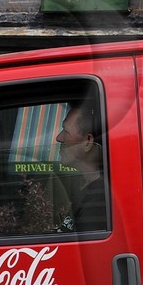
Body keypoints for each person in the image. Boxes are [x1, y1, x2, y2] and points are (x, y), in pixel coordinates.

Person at [56, 98, 108, 233]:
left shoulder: (99, 201)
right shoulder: (88, 188)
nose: (59, 138)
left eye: (66, 131)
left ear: (88, 142)